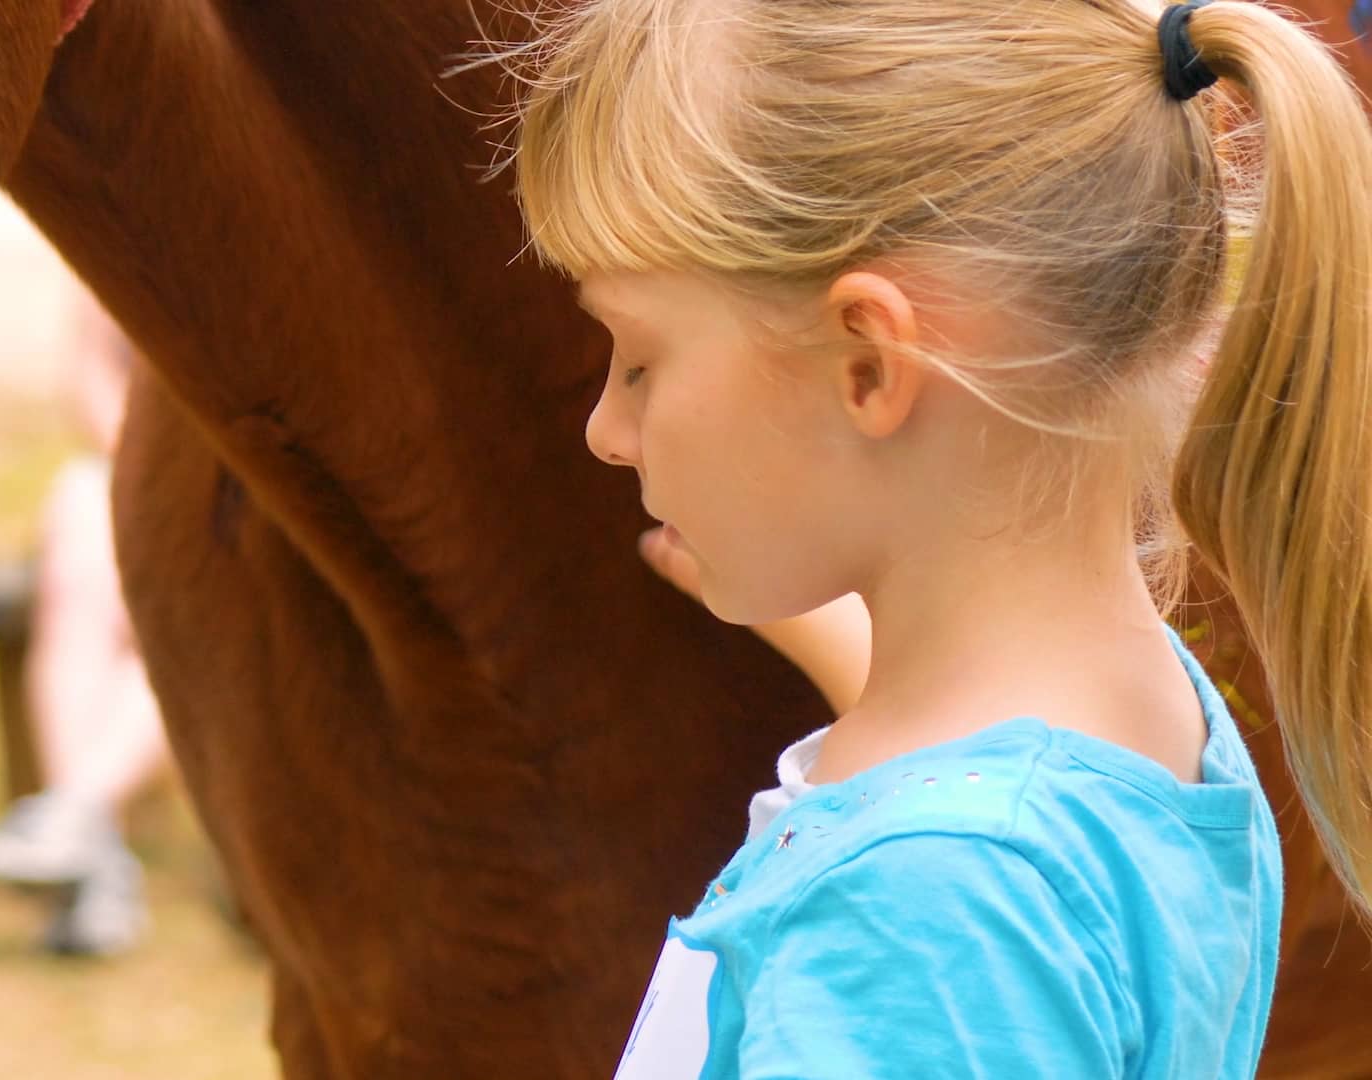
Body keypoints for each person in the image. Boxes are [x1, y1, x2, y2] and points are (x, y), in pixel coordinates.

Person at [511, 0, 1372, 1073]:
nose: (606, 431)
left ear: (868, 364)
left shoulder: (928, 914)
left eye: (638, 358)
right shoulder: (1154, 722)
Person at [0, 292, 170, 955]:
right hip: (128, 467)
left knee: (164, 625)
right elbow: (89, 380)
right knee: (80, 561)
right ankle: (83, 830)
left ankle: (72, 814)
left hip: (237, 484)